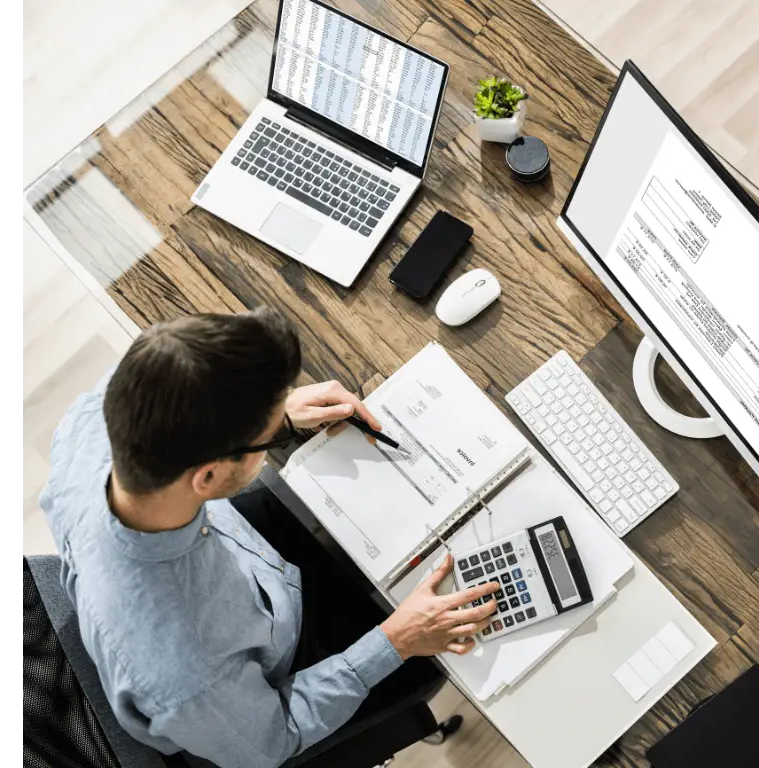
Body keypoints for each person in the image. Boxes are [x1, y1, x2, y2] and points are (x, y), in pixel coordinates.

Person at [38, 306, 501, 768]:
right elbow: (274, 739)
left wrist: (274, 416)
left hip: (242, 560)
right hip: (260, 687)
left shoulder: (103, 415)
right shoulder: (188, 668)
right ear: (207, 475)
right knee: (430, 654)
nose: (274, 430)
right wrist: (398, 640)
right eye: (261, 441)